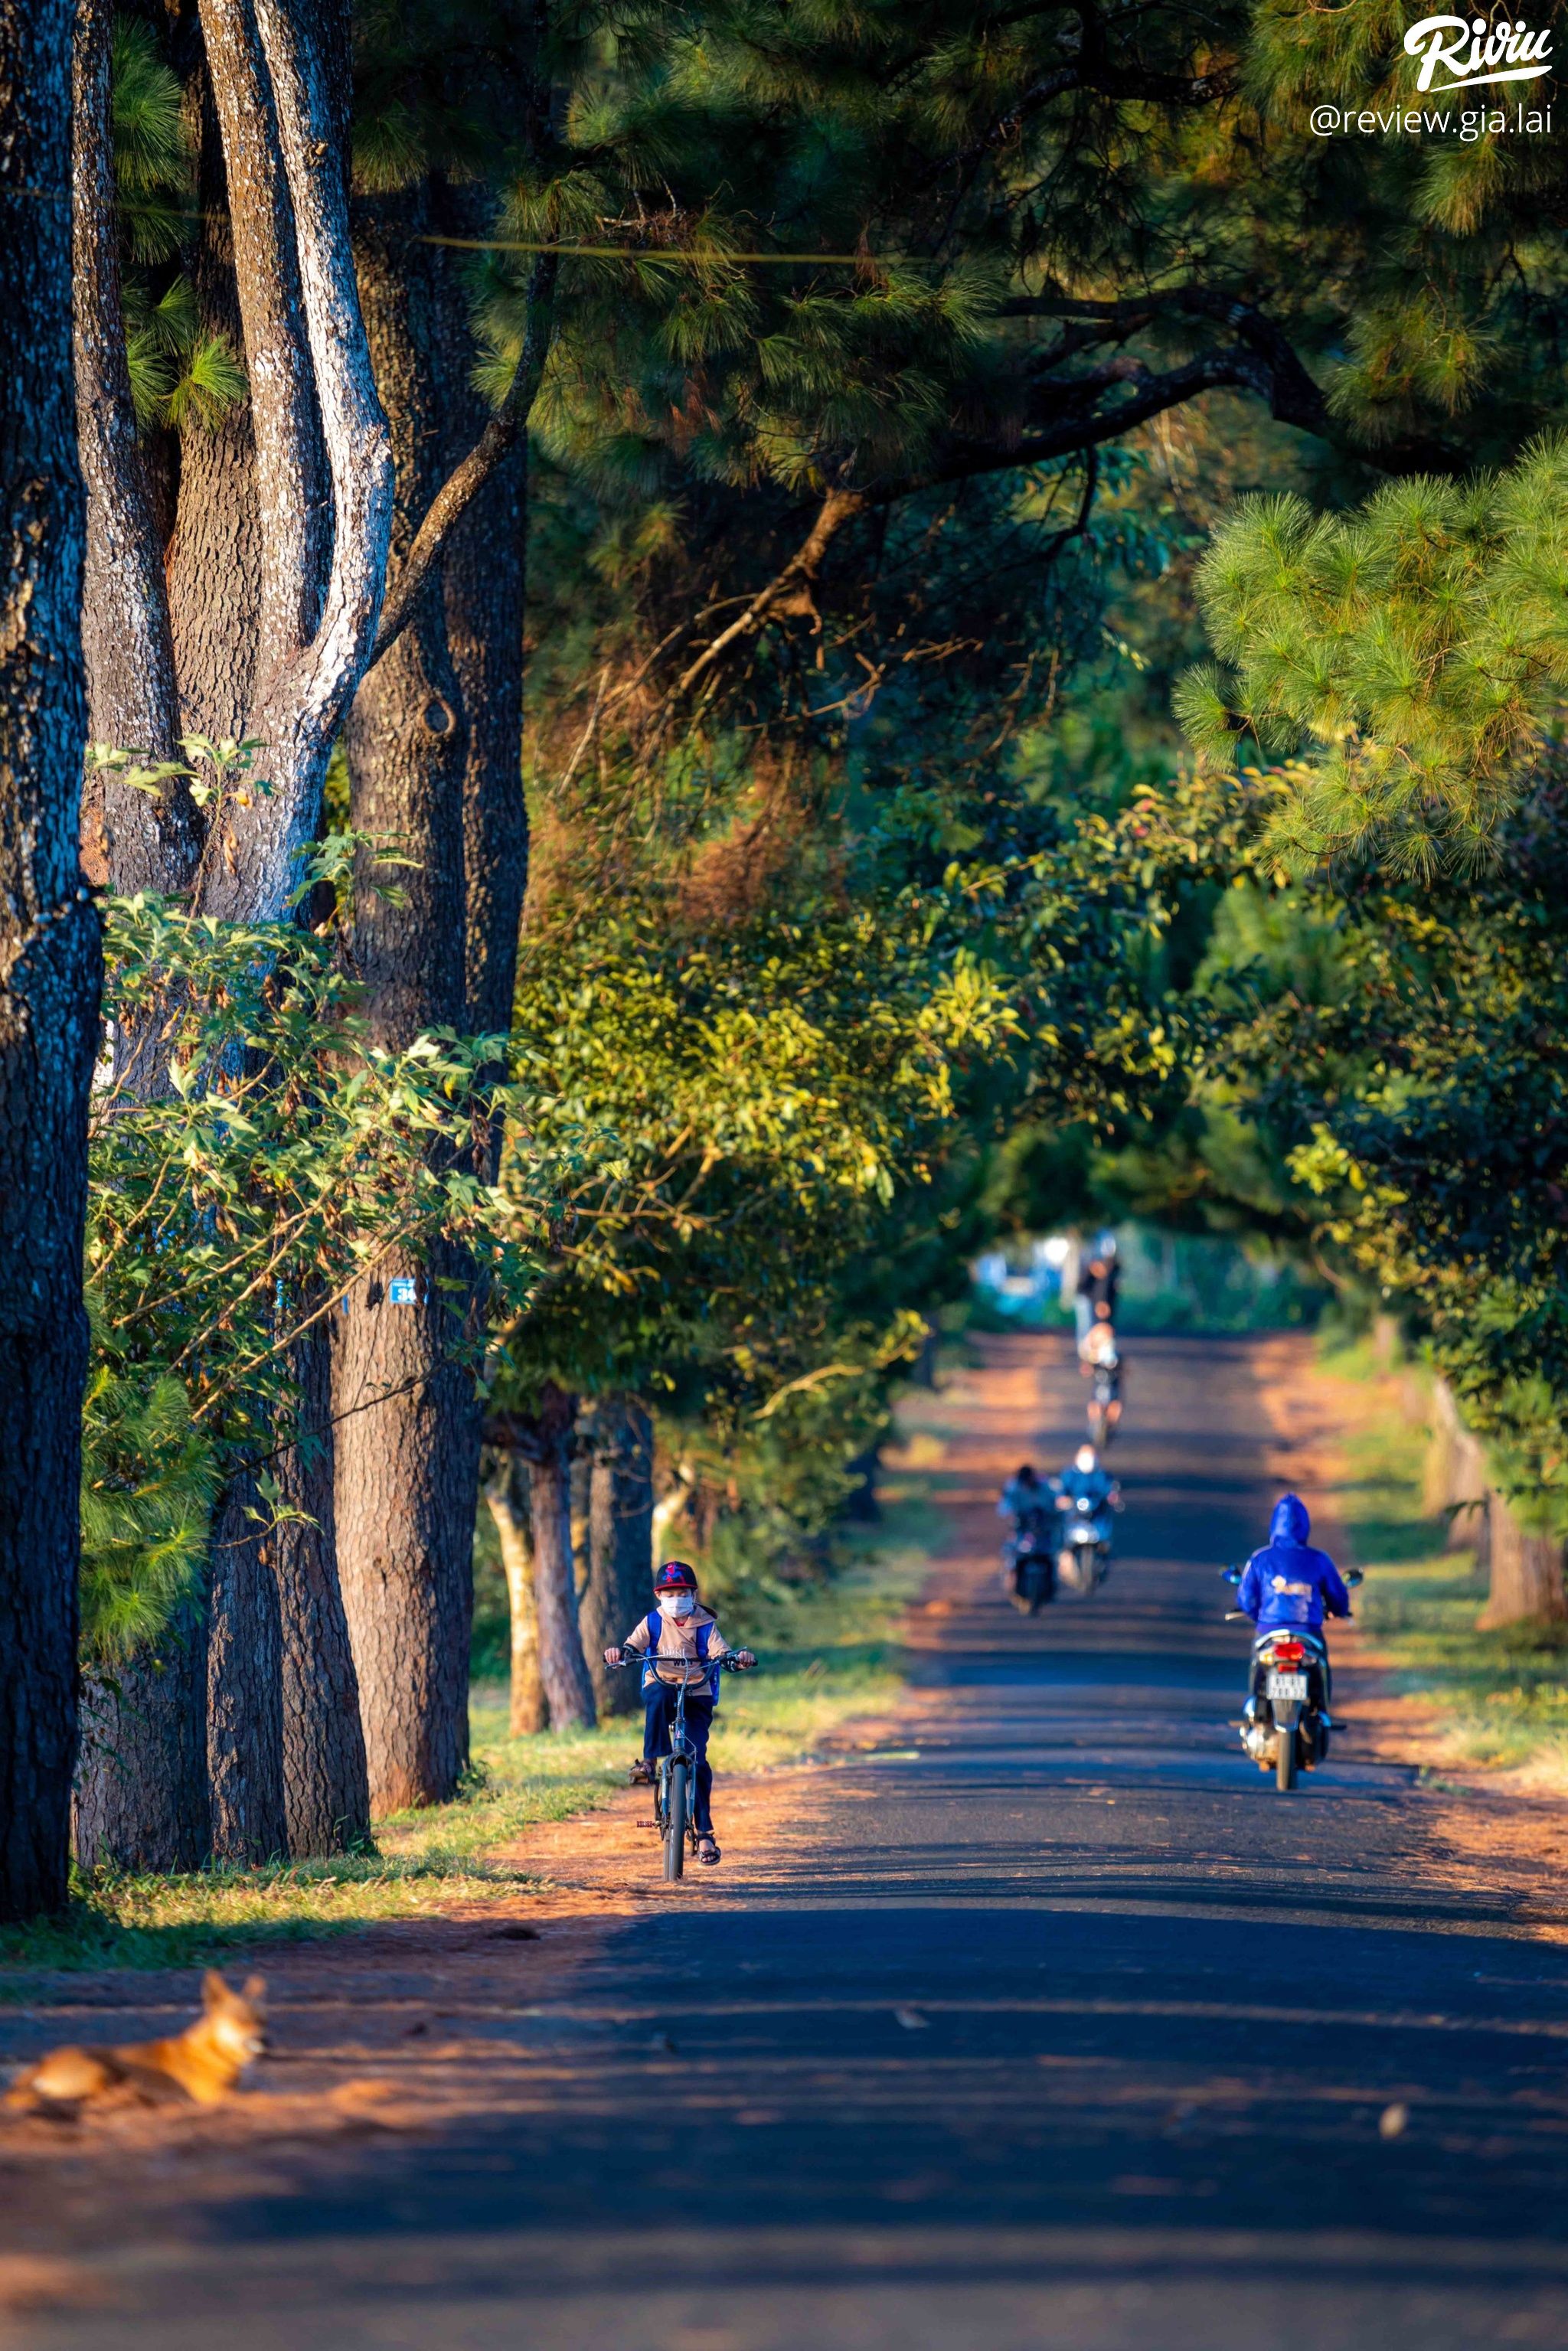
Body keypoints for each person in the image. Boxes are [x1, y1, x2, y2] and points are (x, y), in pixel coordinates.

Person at [603, 1561, 755, 1867]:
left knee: (696, 1760)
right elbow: (632, 1645)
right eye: (669, 1593)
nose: (676, 1599)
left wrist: (737, 1659)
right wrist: (620, 1653)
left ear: (693, 1594)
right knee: (657, 1698)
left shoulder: (705, 1624)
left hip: (696, 1690)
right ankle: (648, 1762)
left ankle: (705, 1834)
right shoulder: (653, 1621)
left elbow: (721, 1653)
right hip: (661, 1684)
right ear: (660, 1596)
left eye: (682, 1592)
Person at [1236, 1495, 1350, 1636]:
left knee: (1258, 1655)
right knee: (1320, 1655)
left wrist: (1259, 1617)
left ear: (1275, 1524)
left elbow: (1246, 1598)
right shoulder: (1319, 1559)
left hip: (1269, 1630)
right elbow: (1337, 1595)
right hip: (1308, 1630)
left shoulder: (1260, 1558)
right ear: (1305, 1525)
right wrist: (1340, 1610)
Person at [1074, 1233, 1119, 1344]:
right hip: (1086, 1296)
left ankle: (1093, 1353)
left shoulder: (1112, 1264)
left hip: (1095, 1298)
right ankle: (1086, 1353)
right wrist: (1102, 1302)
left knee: (1095, 1327)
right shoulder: (1094, 1260)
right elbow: (1101, 1285)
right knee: (1087, 1326)